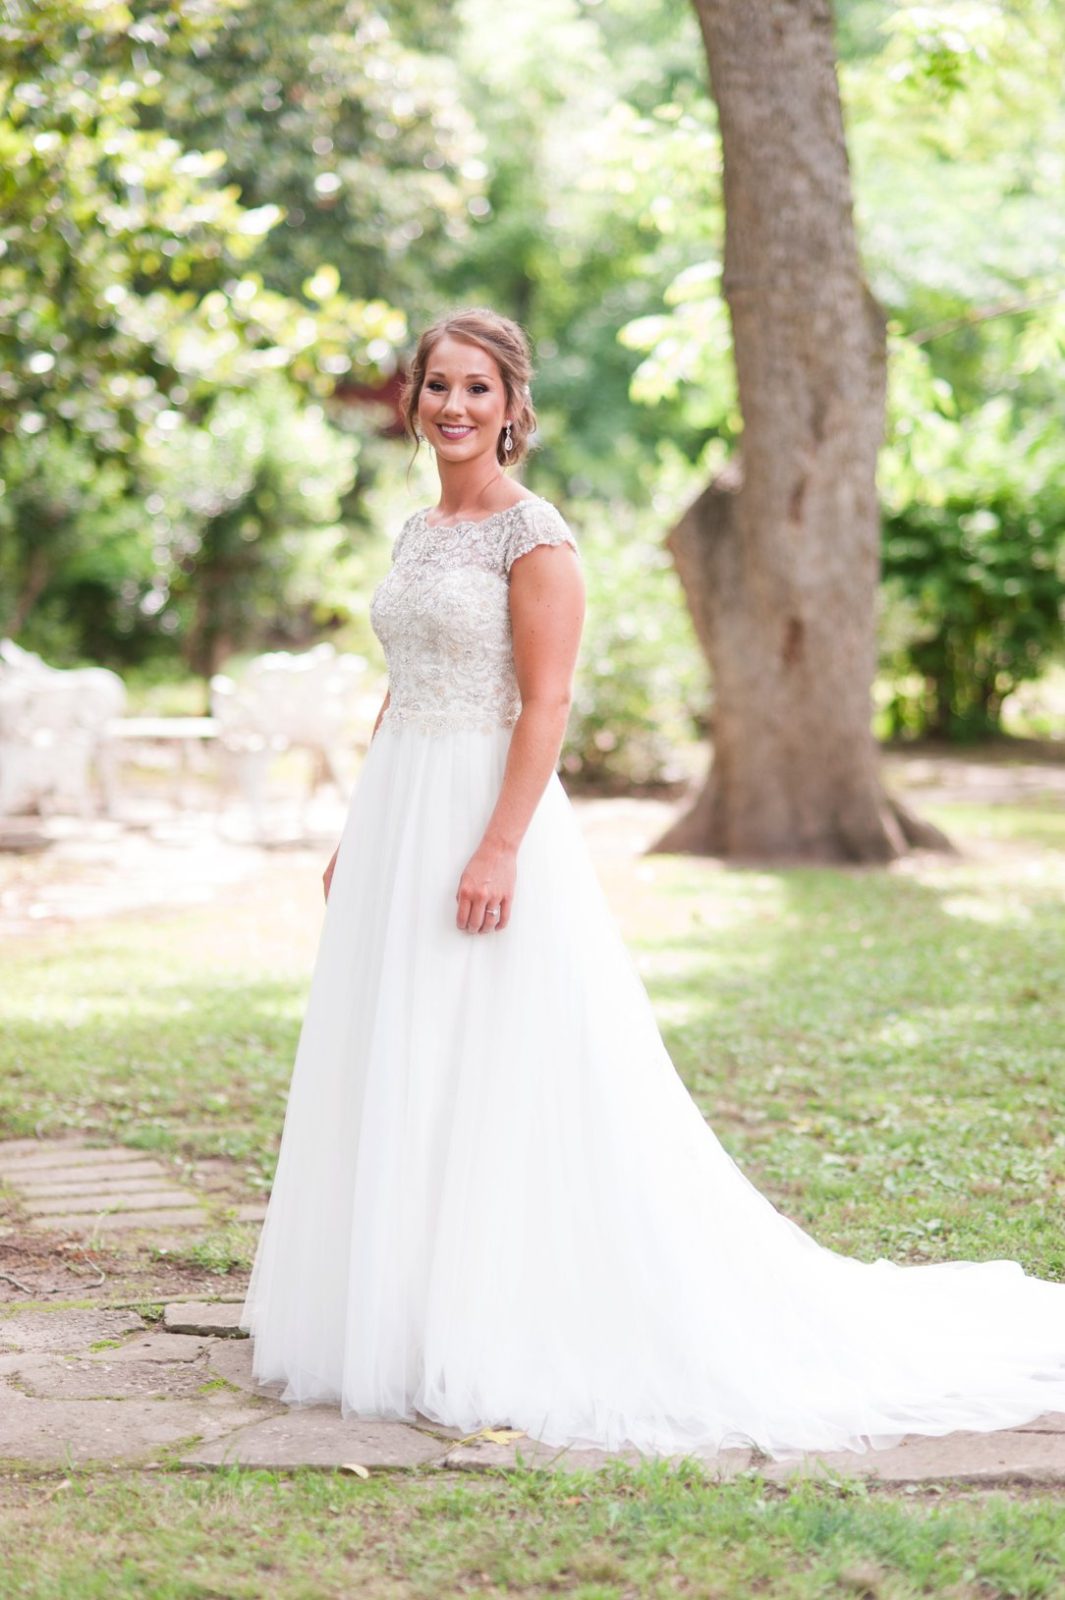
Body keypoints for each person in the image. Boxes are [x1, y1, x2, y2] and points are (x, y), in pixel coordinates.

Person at [240, 306, 1065, 1462]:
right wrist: (357, 827)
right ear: (417, 401)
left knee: (491, 1054)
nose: (456, 408)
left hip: (488, 811)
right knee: (402, 1046)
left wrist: (495, 846)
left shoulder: (537, 537)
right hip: (400, 810)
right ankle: (402, 1301)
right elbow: (407, 680)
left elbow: (549, 703)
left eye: (479, 389)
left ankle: (502, 1309)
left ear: (513, 406)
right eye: (439, 387)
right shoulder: (419, 533)